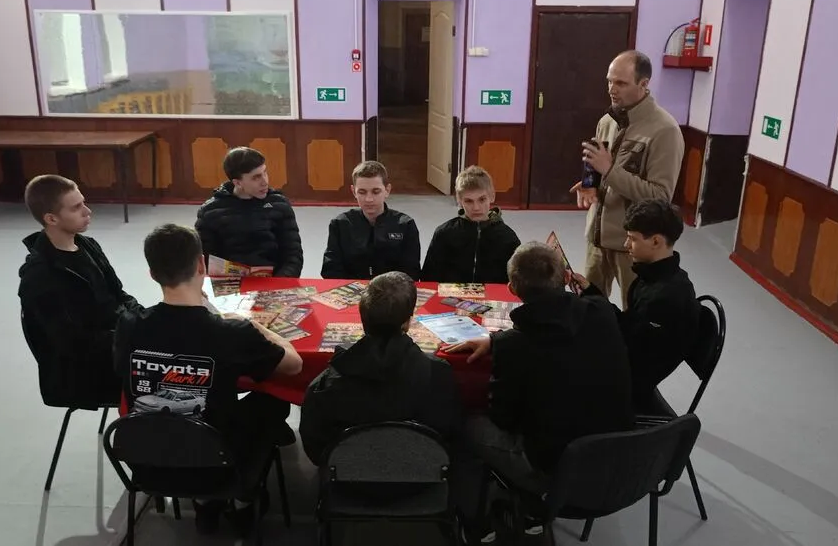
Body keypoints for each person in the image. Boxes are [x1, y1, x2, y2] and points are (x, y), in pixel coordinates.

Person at [114, 224, 303, 535]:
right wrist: (252, 325)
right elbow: (294, 366)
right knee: (272, 400)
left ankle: (204, 505)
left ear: (152, 273)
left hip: (147, 459)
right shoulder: (230, 333)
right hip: (219, 463)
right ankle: (242, 502)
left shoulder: (129, 324)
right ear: (201, 265)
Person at [445, 242, 634, 542]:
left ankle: (477, 520)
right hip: (621, 460)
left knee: (465, 423)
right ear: (565, 278)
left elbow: (503, 419)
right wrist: (498, 341)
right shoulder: (601, 311)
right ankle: (527, 507)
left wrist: (501, 345)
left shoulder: (516, 347)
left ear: (511, 288)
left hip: (555, 470)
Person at [299, 271, 462, 467]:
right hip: (421, 474)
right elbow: (449, 436)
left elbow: (316, 450)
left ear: (363, 320)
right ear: (407, 322)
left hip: (349, 476)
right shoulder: (438, 374)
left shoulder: (326, 384)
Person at [571, 50, 684, 307]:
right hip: (597, 237)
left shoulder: (665, 130)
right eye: (610, 81)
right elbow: (599, 168)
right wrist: (592, 186)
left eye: (621, 83)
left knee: (634, 314)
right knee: (588, 308)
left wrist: (610, 171)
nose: (612, 89)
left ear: (644, 84)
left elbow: (659, 198)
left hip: (632, 246)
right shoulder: (607, 121)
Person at [18, 175, 142, 409]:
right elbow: (73, 344)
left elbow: (119, 294)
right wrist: (134, 336)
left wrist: (145, 319)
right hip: (84, 372)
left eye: (83, 203)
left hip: (115, 343)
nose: (87, 211)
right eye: (76, 208)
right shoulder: (40, 278)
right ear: (51, 218)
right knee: (177, 374)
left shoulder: (87, 245)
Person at [571, 199, 699, 412]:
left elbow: (632, 351)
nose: (626, 245)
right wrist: (589, 292)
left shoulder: (663, 297)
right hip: (633, 358)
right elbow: (629, 325)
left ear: (656, 241)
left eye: (632, 239)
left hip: (631, 380)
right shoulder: (653, 276)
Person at [195, 146, 304, 277]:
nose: (265, 182)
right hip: (230, 284)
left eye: (265, 172)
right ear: (237, 183)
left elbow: (293, 256)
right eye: (256, 177)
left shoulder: (279, 205)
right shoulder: (210, 212)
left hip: (274, 282)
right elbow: (205, 259)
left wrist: (278, 283)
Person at [321, 160, 421, 280]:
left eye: (376, 192)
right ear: (353, 192)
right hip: (350, 289)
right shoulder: (340, 224)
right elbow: (331, 270)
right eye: (362, 192)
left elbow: (411, 273)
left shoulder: (406, 225)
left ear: (387, 190)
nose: (369, 199)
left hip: (392, 289)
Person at [422, 166, 521, 284]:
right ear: (459, 200)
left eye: (482, 199)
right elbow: (428, 280)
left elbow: (516, 283)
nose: (476, 207)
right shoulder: (443, 234)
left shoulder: (508, 238)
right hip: (449, 295)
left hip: (492, 295)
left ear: (492, 196)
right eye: (468, 201)